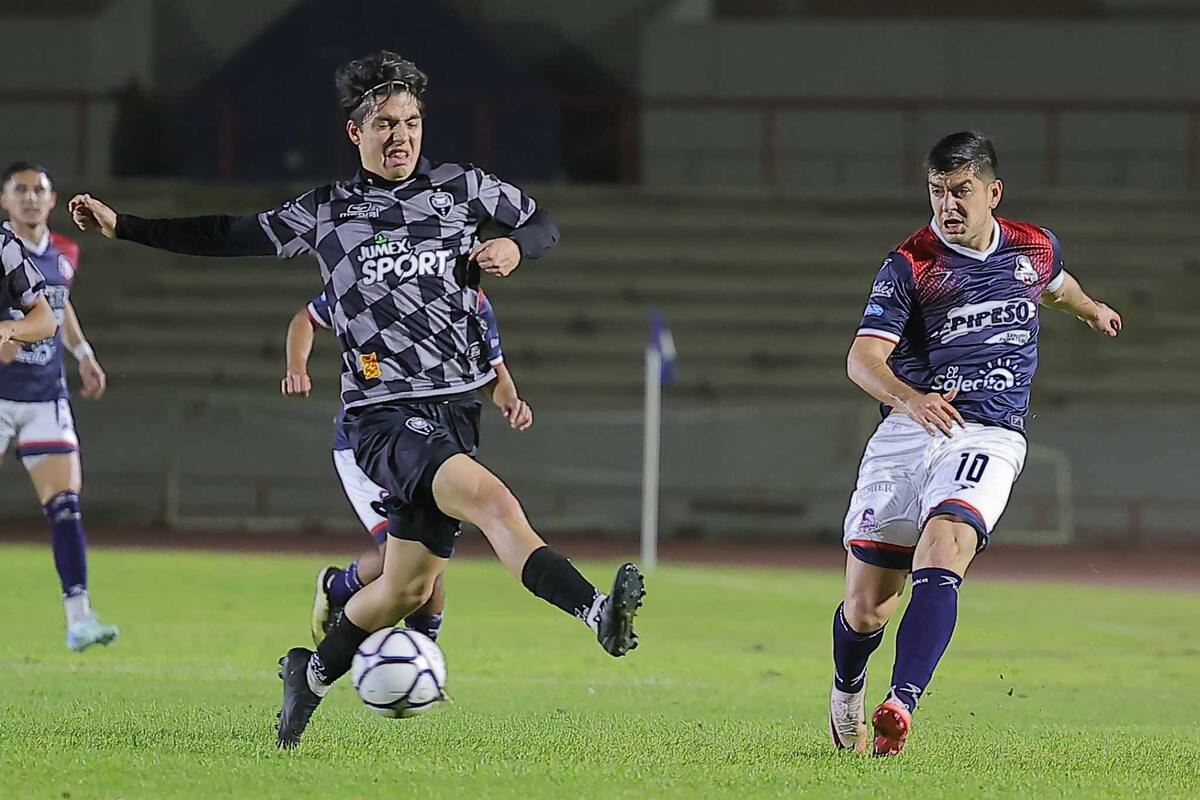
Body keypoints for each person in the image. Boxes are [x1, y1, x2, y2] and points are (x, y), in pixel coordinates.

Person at [69, 50, 645, 749]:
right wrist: (122, 225)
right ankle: (597, 613)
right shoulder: (327, 212)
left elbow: (544, 224)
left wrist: (517, 249)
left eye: (411, 122)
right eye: (384, 124)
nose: (401, 136)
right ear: (355, 133)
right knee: (495, 503)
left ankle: (306, 676)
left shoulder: (463, 189)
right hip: (384, 417)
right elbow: (226, 234)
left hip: (455, 411)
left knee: (403, 590)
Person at [830, 131, 1122, 756]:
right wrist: (911, 398)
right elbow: (862, 359)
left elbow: (1057, 284)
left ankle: (899, 703)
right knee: (867, 608)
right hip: (910, 431)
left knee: (945, 544)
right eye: (936, 193)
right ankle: (847, 687)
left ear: (993, 192)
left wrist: (1092, 308)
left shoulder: (1032, 247)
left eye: (960, 192)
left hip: (989, 432)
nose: (947, 207)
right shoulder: (912, 264)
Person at [283, 287, 532, 646]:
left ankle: (414, 660)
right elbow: (306, 318)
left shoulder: (471, 300)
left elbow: (494, 370)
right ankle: (343, 593)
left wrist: (511, 400)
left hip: (427, 443)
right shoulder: (364, 279)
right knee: (407, 565)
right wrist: (296, 368)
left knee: (425, 571)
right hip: (370, 447)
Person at [0, 162, 117, 651]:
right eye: (20, 190)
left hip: (46, 395)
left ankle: (79, 619)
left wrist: (84, 353)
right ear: (4, 200)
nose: (30, 198)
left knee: (66, 508)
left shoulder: (64, 252)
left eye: (39, 190)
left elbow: (58, 303)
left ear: (51, 201)